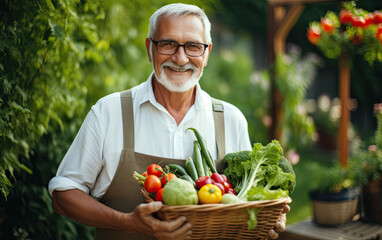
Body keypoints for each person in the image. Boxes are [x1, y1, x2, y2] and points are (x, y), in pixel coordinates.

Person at [48, 3, 289, 240]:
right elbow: (64, 195)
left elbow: (244, 205)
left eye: (193, 46)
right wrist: (127, 222)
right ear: (149, 48)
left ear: (207, 54)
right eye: (167, 44)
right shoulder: (109, 112)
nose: (180, 58)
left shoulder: (230, 119)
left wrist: (266, 218)